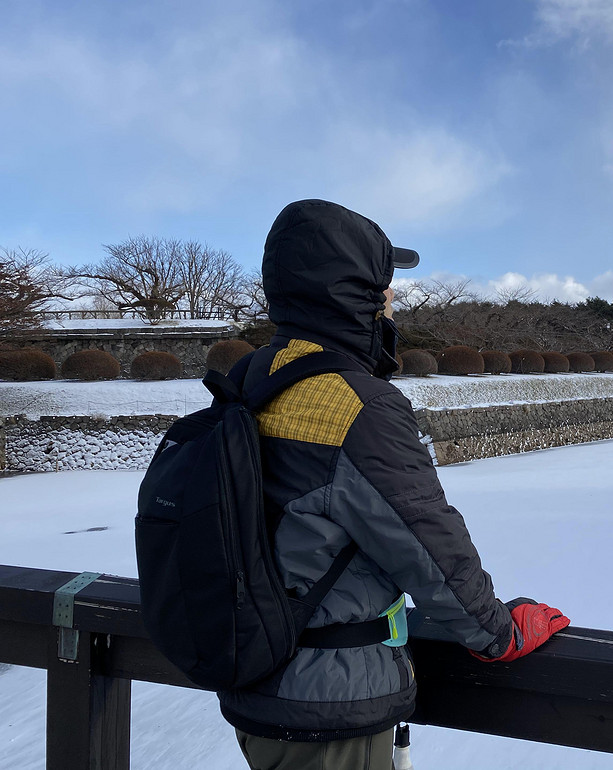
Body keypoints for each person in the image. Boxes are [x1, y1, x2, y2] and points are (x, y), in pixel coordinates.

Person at [220, 199, 569, 769]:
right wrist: (497, 631)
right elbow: (425, 538)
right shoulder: (353, 404)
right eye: (383, 285)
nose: (392, 298)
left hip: (256, 671)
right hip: (325, 701)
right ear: (355, 293)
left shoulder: (257, 377)